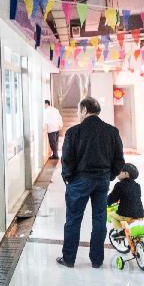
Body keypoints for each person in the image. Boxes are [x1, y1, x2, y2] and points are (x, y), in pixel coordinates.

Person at [57, 97, 124, 268]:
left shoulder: (74, 132)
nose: (79, 114)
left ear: (85, 110)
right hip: (101, 181)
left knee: (73, 219)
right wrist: (109, 176)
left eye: (80, 111)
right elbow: (119, 160)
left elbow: (67, 159)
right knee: (100, 219)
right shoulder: (112, 132)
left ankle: (69, 259)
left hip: (80, 180)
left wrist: (69, 179)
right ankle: (97, 260)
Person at [107, 163, 144, 230]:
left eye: (119, 171)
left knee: (112, 215)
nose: (117, 173)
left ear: (126, 174)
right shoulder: (137, 186)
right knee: (125, 217)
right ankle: (126, 231)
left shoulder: (120, 185)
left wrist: (104, 202)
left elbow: (113, 198)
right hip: (139, 214)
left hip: (126, 214)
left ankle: (119, 230)